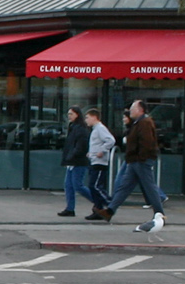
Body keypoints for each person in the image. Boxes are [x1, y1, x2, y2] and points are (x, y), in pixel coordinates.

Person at [102, 100, 167, 233]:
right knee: (124, 186)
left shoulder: (145, 123)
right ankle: (109, 211)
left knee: (149, 187)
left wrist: (141, 158)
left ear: (140, 110)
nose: (130, 111)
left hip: (140, 161)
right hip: (134, 161)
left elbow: (146, 143)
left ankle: (159, 214)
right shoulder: (138, 122)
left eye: (133, 108)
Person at [83, 108, 116, 220]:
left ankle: (110, 203)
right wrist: (91, 153)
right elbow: (96, 144)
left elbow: (110, 140)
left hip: (100, 162)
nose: (86, 120)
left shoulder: (100, 128)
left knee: (95, 186)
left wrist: (102, 150)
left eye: (87, 117)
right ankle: (98, 209)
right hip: (94, 160)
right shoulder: (95, 129)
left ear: (94, 117)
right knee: (92, 186)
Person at [58, 107, 91, 216]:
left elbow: (81, 146)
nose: (69, 116)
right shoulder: (73, 127)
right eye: (68, 114)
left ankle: (98, 201)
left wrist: (72, 155)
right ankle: (70, 208)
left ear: (77, 115)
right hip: (72, 161)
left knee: (78, 185)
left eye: (71, 114)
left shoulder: (81, 129)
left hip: (78, 161)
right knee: (68, 185)